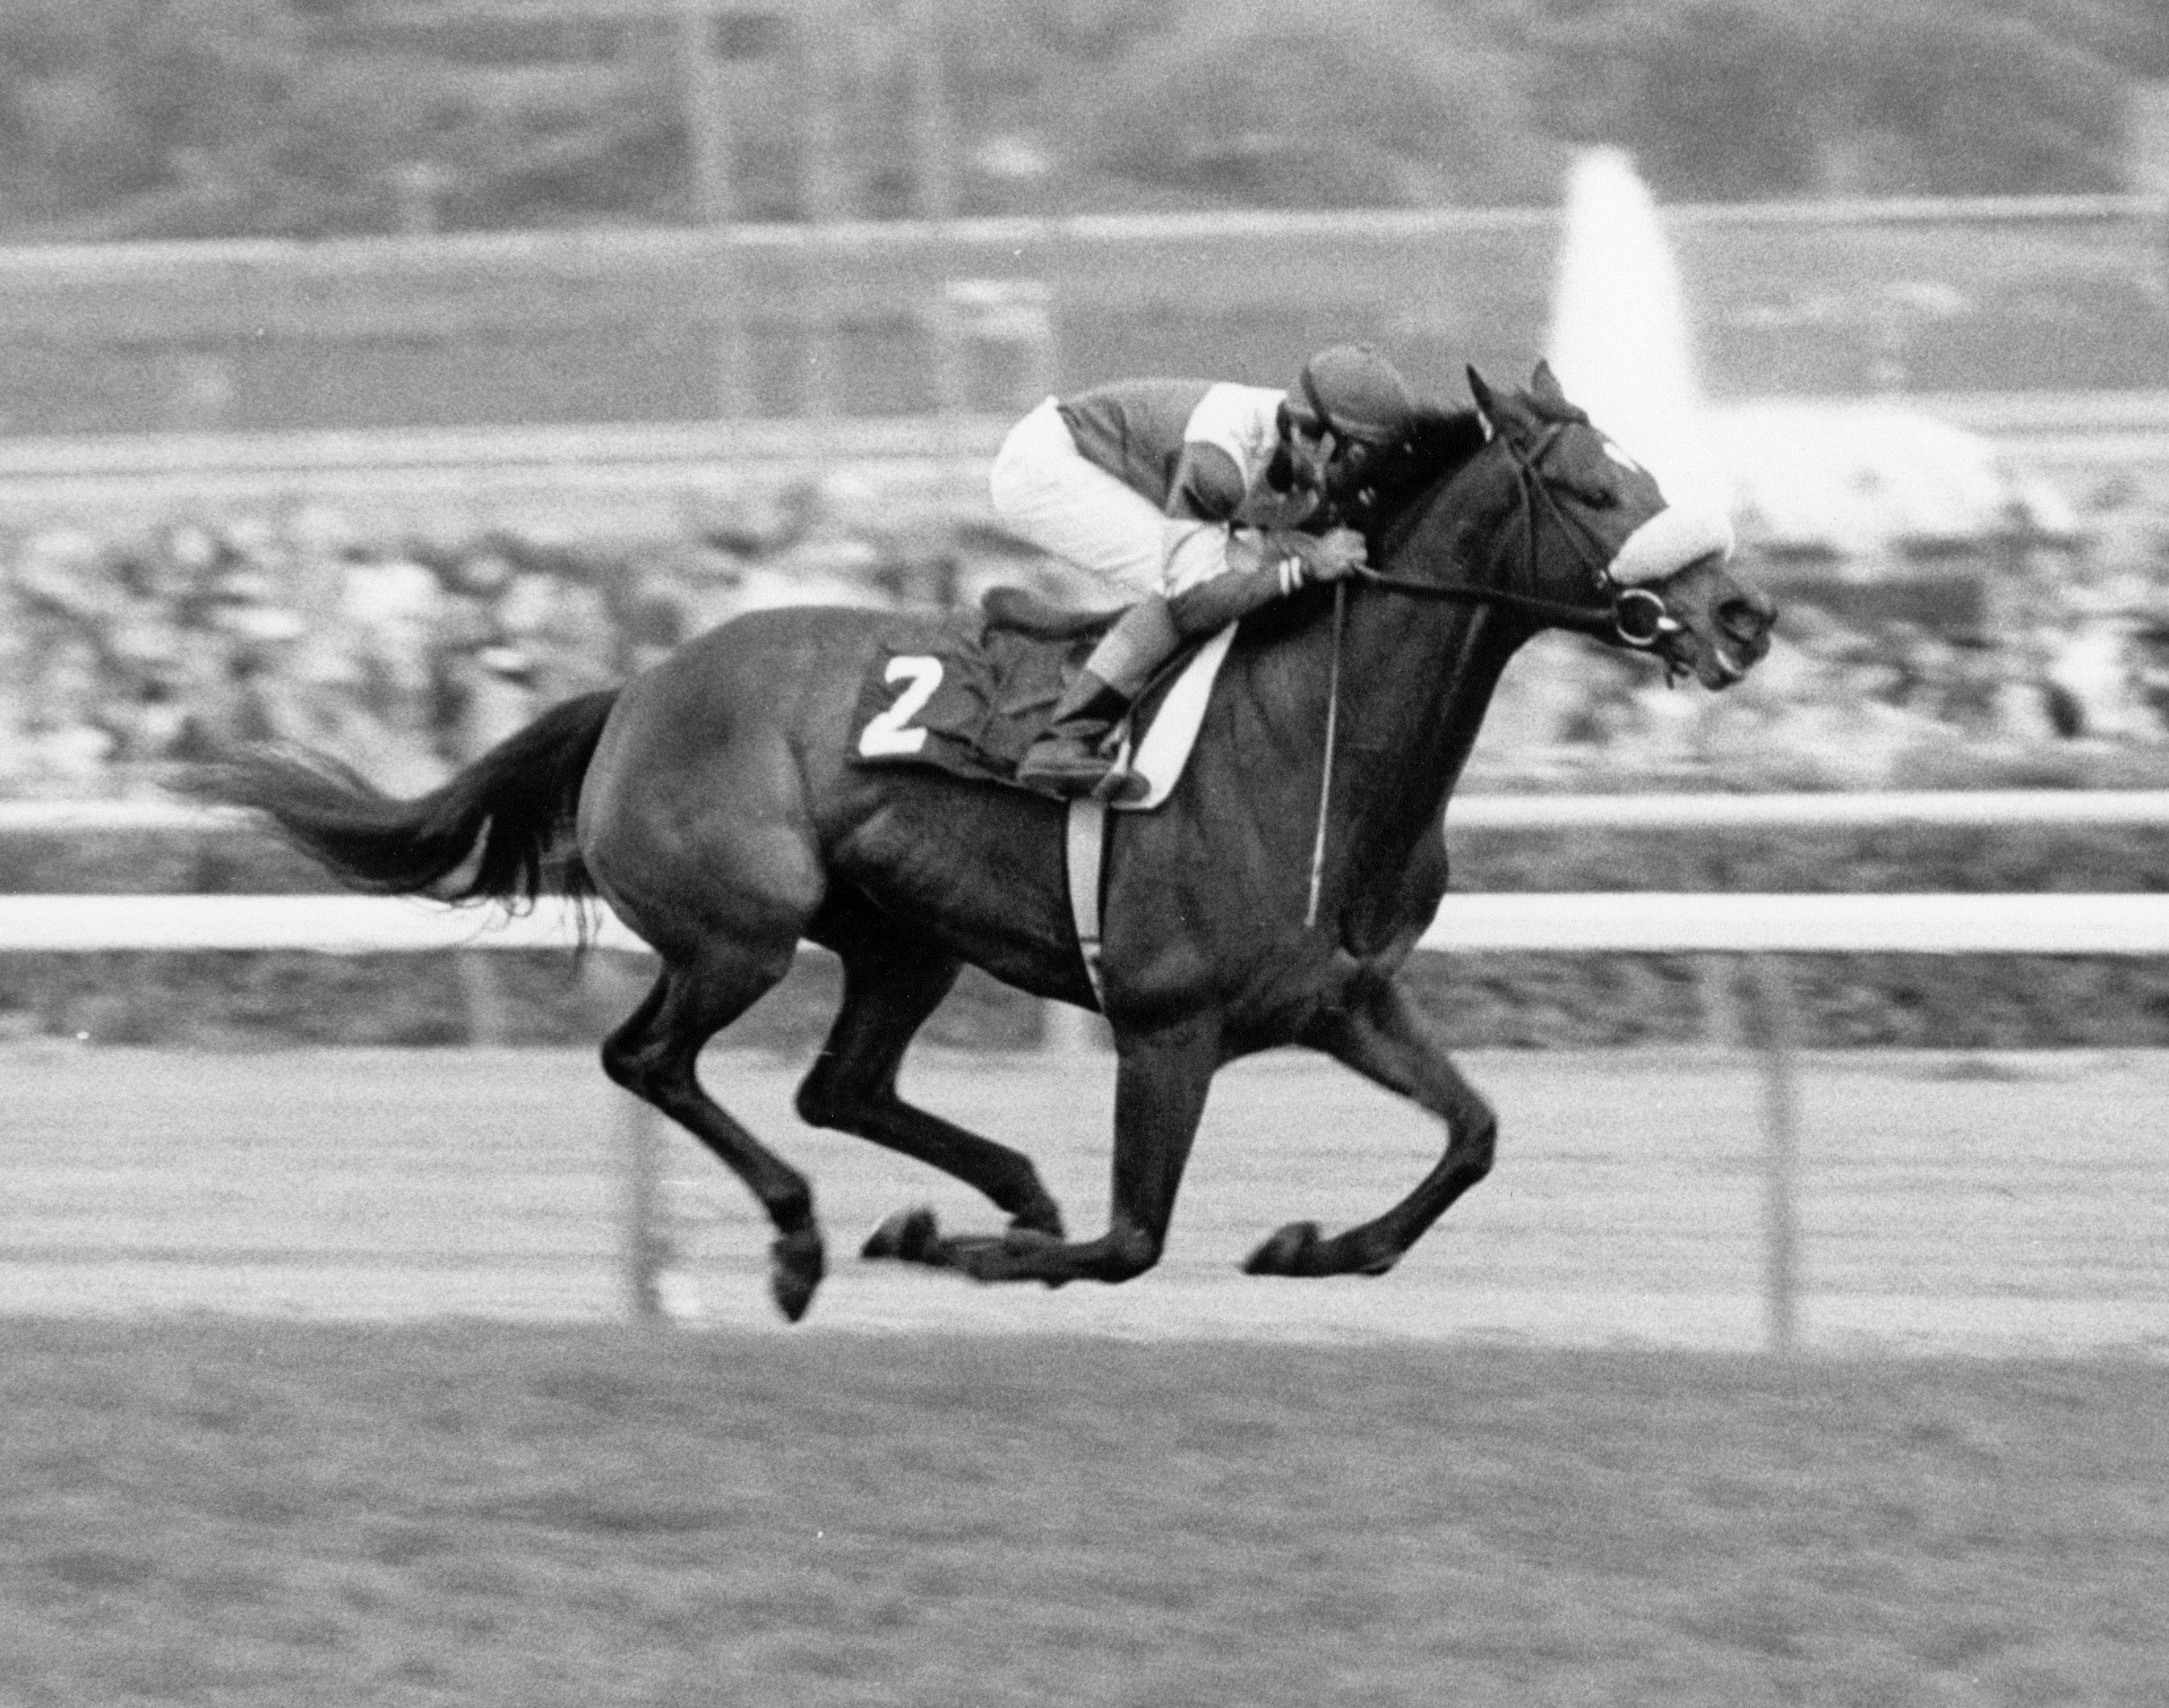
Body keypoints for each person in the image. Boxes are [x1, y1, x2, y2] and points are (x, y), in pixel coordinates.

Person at [990, 343, 1421, 797]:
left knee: (1257, 563)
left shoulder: (1297, 444)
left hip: (1130, 468)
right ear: (1311, 436)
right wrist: (1307, 568)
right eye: (1359, 458)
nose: (1364, 475)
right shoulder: (1221, 458)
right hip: (1044, 467)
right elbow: (1191, 605)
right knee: (1193, 583)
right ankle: (1064, 741)